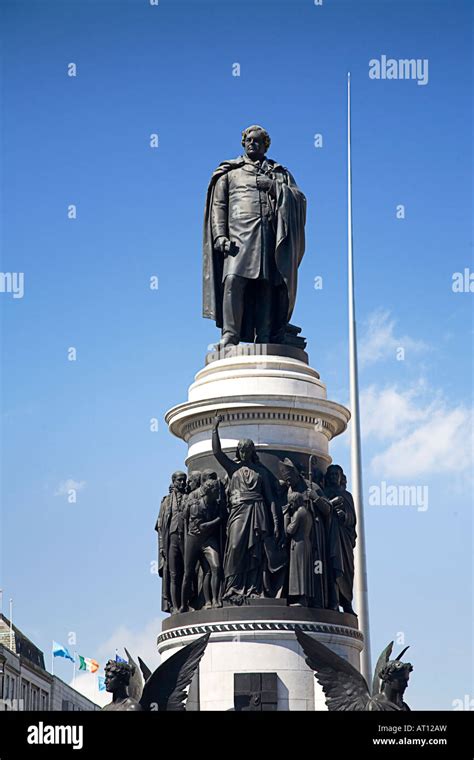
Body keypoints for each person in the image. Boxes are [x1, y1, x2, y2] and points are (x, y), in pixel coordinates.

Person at [203, 125, 306, 346]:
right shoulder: (230, 173)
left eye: (258, 141)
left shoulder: (278, 173)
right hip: (238, 240)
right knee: (233, 281)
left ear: (265, 145)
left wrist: (274, 187)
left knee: (266, 285)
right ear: (243, 143)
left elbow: (299, 200)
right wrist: (220, 235)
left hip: (268, 237)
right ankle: (230, 334)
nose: (252, 143)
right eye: (249, 140)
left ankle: (266, 336)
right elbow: (219, 205)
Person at [212, 414, 279, 601]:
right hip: (238, 512)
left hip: (258, 511)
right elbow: (217, 453)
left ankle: (253, 588)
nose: (243, 453)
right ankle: (233, 587)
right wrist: (214, 428)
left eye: (246, 450)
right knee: (234, 546)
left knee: (255, 550)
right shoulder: (233, 469)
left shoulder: (262, 473)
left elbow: (271, 498)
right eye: (241, 450)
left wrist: (275, 521)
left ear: (251, 452)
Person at [181, 478, 224, 612]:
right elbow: (200, 526)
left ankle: (213, 600)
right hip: (194, 540)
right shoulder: (195, 505)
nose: (218, 492)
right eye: (216, 490)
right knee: (188, 573)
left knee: (215, 568)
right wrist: (216, 521)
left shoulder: (215, 505)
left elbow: (219, 519)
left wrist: (216, 520)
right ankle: (183, 605)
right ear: (209, 491)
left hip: (208, 540)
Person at [324, 464, 357, 614]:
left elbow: (353, 518)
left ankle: (347, 603)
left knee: (348, 569)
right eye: (330, 475)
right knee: (333, 567)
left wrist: (345, 517)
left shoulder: (347, 496)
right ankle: (334, 601)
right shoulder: (324, 492)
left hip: (345, 537)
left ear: (341, 477)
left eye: (336, 474)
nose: (333, 477)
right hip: (331, 535)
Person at [155, 471, 187, 613]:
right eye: (179, 480)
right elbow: (160, 526)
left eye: (184, 480)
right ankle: (175, 606)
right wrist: (162, 547)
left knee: (187, 572)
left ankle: (186, 603)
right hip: (171, 540)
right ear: (173, 481)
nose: (182, 483)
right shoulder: (166, 502)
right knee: (174, 574)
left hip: (187, 539)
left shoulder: (189, 497)